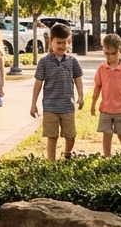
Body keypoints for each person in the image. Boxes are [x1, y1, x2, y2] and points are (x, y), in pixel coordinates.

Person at [29, 23, 84, 161]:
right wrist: (33, 104)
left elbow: (78, 79)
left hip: (67, 106)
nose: (62, 46)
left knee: (71, 135)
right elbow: (38, 84)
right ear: (51, 42)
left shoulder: (72, 61)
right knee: (52, 136)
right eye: (59, 42)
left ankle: (67, 153)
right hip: (50, 107)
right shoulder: (44, 62)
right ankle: (51, 162)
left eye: (65, 42)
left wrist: (81, 95)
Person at [91, 33, 121, 156]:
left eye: (113, 53)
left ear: (120, 51)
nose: (109, 57)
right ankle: (107, 156)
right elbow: (97, 87)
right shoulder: (101, 69)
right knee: (107, 133)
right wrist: (93, 104)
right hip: (105, 108)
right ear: (103, 51)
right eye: (107, 53)